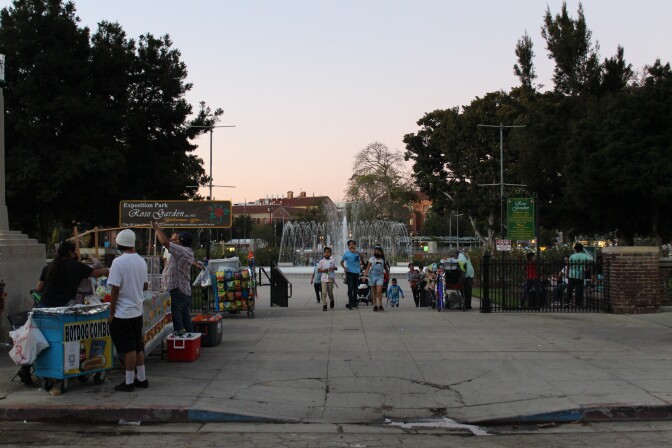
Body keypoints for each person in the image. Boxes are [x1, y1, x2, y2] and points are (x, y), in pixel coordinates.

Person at [107, 229, 149, 392]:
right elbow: (145, 285)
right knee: (138, 346)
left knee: (128, 348)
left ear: (119, 244)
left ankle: (129, 382)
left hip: (123, 313)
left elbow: (115, 290)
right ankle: (142, 378)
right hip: (137, 311)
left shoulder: (118, 263)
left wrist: (111, 314)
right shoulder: (141, 261)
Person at [153, 222, 201, 335]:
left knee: (177, 320)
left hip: (177, 290)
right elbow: (169, 242)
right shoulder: (187, 251)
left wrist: (156, 229)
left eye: (177, 238)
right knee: (185, 318)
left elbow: (165, 242)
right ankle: (190, 341)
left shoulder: (181, 251)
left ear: (180, 241)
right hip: (183, 291)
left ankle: (181, 343)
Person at [39, 241, 109, 308]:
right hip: (63, 307)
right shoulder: (77, 266)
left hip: (44, 305)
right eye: (75, 251)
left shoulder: (48, 267)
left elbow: (39, 287)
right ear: (70, 252)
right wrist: (107, 270)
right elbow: (97, 272)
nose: (75, 253)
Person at [363, 245, 390, 312]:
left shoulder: (383, 260)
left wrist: (388, 276)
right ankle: (375, 305)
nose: (376, 252)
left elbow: (386, 269)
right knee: (374, 292)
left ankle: (380, 305)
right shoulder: (371, 259)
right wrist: (364, 276)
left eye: (378, 251)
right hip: (372, 276)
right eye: (375, 251)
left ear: (381, 252)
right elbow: (367, 268)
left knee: (379, 291)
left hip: (380, 277)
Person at [566, 243, 593, 307]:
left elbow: (568, 265)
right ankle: (578, 303)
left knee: (569, 289)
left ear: (575, 249)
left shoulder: (572, 256)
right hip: (580, 275)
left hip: (571, 275)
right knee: (579, 290)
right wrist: (587, 267)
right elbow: (591, 261)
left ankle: (566, 302)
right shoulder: (585, 256)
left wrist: (567, 273)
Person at [341, 239, 363, 310]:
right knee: (350, 288)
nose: (351, 245)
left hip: (357, 273)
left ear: (355, 245)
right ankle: (350, 302)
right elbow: (341, 262)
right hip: (349, 273)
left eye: (353, 244)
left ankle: (355, 301)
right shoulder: (346, 253)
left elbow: (362, 257)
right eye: (350, 244)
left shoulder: (357, 253)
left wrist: (356, 251)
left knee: (356, 288)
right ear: (348, 246)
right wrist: (345, 268)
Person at [317, 246, 337, 311]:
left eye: (328, 252)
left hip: (330, 278)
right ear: (324, 253)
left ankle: (332, 300)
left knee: (330, 292)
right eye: (326, 252)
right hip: (323, 279)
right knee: (324, 292)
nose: (327, 253)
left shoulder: (333, 260)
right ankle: (324, 305)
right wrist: (324, 270)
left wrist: (332, 268)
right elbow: (318, 270)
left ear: (330, 253)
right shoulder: (321, 261)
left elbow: (336, 268)